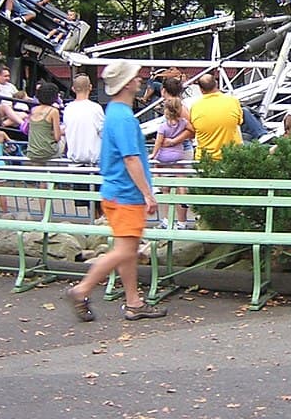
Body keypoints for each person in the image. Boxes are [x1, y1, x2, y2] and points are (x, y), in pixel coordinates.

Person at [65, 59, 166, 323]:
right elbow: (131, 159)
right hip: (126, 194)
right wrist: (148, 193)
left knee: (128, 250)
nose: (140, 79)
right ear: (126, 84)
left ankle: (134, 302)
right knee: (123, 251)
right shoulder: (123, 118)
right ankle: (82, 290)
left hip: (115, 192)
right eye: (135, 77)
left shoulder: (114, 113)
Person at [151, 97, 194, 229]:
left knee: (157, 168)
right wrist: (176, 140)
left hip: (164, 155)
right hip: (178, 154)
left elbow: (158, 142)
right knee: (180, 179)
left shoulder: (163, 126)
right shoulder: (183, 122)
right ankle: (183, 198)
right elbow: (192, 130)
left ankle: (156, 186)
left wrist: (153, 154)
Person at [190, 73, 243, 161]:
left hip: (205, 159)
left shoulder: (195, 107)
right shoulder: (233, 101)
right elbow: (239, 121)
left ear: (201, 90)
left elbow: (193, 130)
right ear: (216, 84)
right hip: (231, 157)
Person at [63, 74, 104, 166]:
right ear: (90, 87)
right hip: (93, 162)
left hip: (73, 162)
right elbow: (103, 133)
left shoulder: (68, 109)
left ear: (73, 89)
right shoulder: (96, 108)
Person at [26, 82, 64, 165]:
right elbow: (57, 137)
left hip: (32, 152)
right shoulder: (54, 111)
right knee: (63, 140)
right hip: (48, 151)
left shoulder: (33, 110)